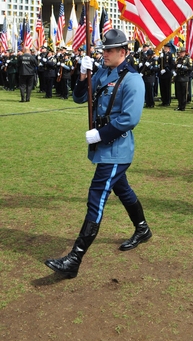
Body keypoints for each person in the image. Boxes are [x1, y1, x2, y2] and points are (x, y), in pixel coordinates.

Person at [45, 29, 151, 279]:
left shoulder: (133, 79)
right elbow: (79, 99)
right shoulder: (102, 72)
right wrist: (82, 76)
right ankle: (143, 228)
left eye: (110, 50)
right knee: (122, 189)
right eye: (104, 50)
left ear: (123, 52)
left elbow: (129, 119)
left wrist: (101, 135)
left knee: (97, 196)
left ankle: (75, 258)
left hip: (116, 148)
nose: (105, 54)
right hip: (103, 147)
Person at [173, 47, 192, 111]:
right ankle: (179, 105)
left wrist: (183, 67)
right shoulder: (178, 59)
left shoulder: (187, 59)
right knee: (179, 93)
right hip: (178, 77)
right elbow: (174, 67)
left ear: (184, 53)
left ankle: (183, 106)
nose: (180, 54)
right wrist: (174, 72)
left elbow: (190, 68)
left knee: (184, 93)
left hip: (184, 77)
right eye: (180, 53)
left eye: (181, 52)